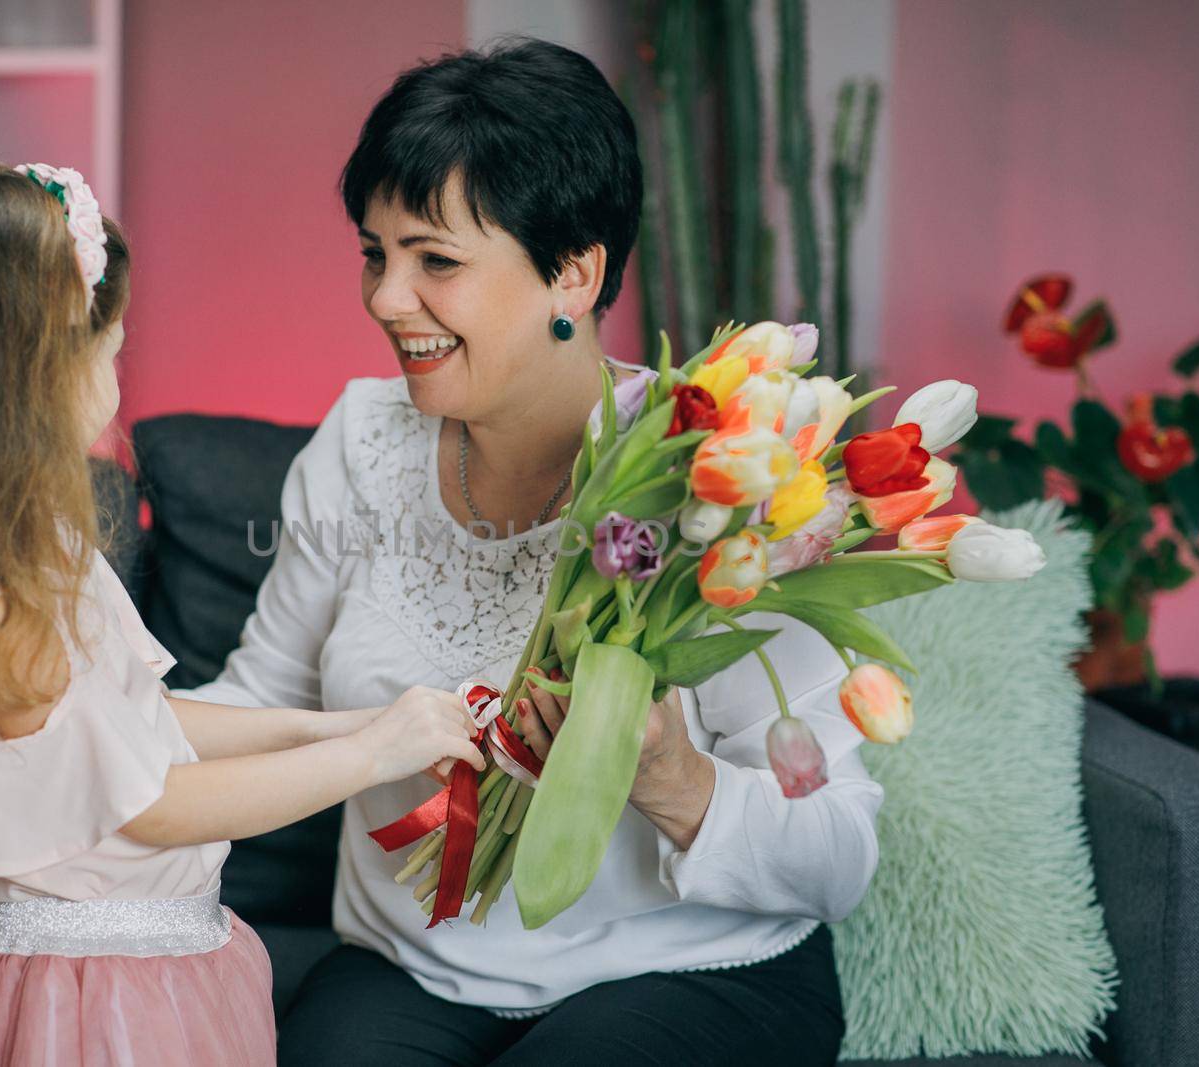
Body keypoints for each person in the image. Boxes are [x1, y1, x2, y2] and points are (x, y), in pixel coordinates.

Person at [187, 39, 884, 1067]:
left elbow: (841, 861)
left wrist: (672, 776)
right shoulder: (359, 438)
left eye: (436, 260)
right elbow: (263, 692)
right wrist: (82, 731)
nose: (385, 298)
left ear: (573, 270)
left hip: (692, 971)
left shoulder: (721, 475)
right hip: (411, 963)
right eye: (375, 253)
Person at [0, 157, 483, 1067]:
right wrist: (368, 755)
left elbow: (130, 728)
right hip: (96, 1002)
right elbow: (150, 800)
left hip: (149, 964)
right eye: (109, 351)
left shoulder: (20, 553)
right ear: (24, 375)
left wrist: (323, 725)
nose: (115, 380)